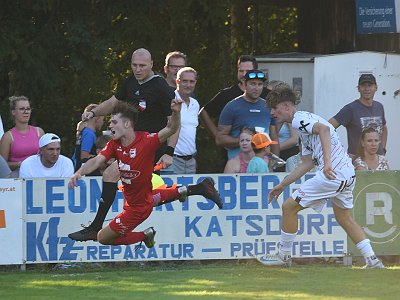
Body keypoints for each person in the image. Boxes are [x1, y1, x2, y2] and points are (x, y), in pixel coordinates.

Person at [261, 85, 384, 269]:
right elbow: (307, 163)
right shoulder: (303, 128)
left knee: (288, 207)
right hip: (346, 174)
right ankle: (373, 260)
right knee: (344, 218)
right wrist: (282, 185)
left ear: (286, 106)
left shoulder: (298, 119)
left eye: (274, 108)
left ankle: (283, 256)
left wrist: (327, 163)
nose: (272, 112)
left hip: (333, 174)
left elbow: (324, 130)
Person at [68, 101, 222, 246]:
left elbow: (171, 129)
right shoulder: (114, 144)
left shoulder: (147, 141)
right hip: (138, 198)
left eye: (114, 122)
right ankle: (196, 189)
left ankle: (145, 235)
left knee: (102, 238)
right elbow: (96, 161)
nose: (110, 125)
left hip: (137, 210)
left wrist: (176, 113)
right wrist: (79, 172)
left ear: (127, 124)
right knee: (151, 196)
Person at [68, 48, 179, 242]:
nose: (138, 69)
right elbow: (113, 102)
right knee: (136, 191)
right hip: (131, 144)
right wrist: (94, 113)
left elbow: (174, 125)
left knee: (119, 180)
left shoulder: (161, 87)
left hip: (150, 147)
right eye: (134, 65)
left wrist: (169, 151)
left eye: (142, 66)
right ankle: (190, 190)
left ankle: (96, 228)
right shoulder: (129, 82)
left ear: (152, 64)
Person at [199, 55, 270, 171]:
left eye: (247, 71)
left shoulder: (267, 96)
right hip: (235, 158)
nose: (243, 74)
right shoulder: (227, 95)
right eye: (240, 70)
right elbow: (204, 113)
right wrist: (217, 135)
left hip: (262, 160)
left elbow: (278, 119)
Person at [216, 69, 279, 160]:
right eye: (252, 84)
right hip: (239, 165)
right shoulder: (232, 106)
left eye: (259, 84)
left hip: (263, 164)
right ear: (245, 85)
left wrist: (274, 162)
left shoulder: (268, 107)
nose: (256, 88)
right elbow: (220, 139)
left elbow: (274, 137)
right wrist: (246, 141)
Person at [329, 74, 388, 160]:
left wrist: (382, 149)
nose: (367, 89)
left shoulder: (379, 107)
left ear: (376, 88)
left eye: (370, 85)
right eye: (363, 85)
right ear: (358, 88)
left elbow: (384, 128)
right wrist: (335, 151)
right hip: (358, 162)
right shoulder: (350, 109)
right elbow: (327, 127)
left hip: (378, 161)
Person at [0, 96, 45, 177]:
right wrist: (20, 164)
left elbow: (47, 154)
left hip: (39, 174)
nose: (26, 111)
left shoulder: (39, 132)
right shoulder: (7, 137)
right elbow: (2, 164)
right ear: (13, 112)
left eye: (28, 109)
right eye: (22, 109)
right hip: (18, 176)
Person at [172, 67, 200, 174]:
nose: (188, 85)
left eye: (191, 82)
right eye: (184, 81)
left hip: (191, 161)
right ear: (177, 81)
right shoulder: (171, 100)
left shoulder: (195, 104)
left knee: (189, 191)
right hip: (173, 159)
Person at [267, 81, 299, 172]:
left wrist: (273, 149)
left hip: (288, 153)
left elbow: (294, 139)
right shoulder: (273, 112)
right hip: (274, 154)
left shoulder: (287, 115)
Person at [72, 104, 105, 173]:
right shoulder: (89, 134)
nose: (103, 122)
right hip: (82, 171)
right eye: (102, 119)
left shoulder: (84, 131)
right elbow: (84, 156)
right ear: (97, 118)